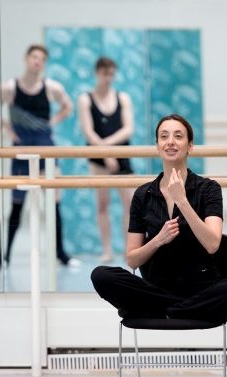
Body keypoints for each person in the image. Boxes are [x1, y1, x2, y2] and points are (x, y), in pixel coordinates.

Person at [91, 114, 227, 323]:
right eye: (164, 136)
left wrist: (182, 201)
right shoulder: (143, 194)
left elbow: (212, 244)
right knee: (101, 275)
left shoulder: (209, 189)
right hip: (157, 288)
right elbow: (132, 259)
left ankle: (167, 311)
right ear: (157, 146)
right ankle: (180, 310)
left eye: (178, 136)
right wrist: (157, 240)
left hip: (202, 288)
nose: (170, 141)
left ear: (190, 146)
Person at [0, 44, 80, 270]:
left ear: (44, 63)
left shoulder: (51, 87)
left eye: (42, 58)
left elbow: (67, 106)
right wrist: (1, 129)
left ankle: (61, 254)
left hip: (47, 150)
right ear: (26, 59)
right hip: (21, 151)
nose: (37, 61)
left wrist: (52, 123)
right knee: (16, 206)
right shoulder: (8, 88)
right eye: (34, 57)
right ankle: (2, 257)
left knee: (54, 205)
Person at [78, 57, 134, 262]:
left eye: (111, 74)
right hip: (98, 156)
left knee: (129, 203)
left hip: (121, 154)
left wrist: (109, 148)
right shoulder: (86, 99)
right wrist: (105, 152)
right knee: (103, 204)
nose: (108, 78)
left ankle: (130, 247)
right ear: (97, 73)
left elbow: (128, 129)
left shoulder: (123, 98)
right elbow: (88, 132)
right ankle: (107, 249)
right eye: (105, 74)